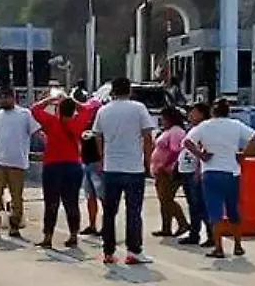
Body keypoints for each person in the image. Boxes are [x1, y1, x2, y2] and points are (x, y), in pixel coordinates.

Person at [183, 98, 255, 259]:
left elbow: (187, 142)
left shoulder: (205, 126)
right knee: (233, 211)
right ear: (228, 111)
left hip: (211, 172)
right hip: (231, 172)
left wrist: (201, 155)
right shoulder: (235, 125)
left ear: (212, 111)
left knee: (214, 212)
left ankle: (219, 248)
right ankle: (238, 246)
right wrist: (244, 154)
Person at [92, 77, 156, 265]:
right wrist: (147, 161)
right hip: (133, 167)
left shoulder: (103, 111)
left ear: (112, 91)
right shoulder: (138, 108)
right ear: (129, 90)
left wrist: (102, 158)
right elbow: (147, 136)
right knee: (133, 211)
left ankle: (108, 252)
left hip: (111, 167)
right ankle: (134, 251)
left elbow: (97, 137)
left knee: (109, 211)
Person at [30, 92, 95, 248]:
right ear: (73, 111)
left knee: (51, 202)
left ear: (58, 110)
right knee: (71, 201)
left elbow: (34, 109)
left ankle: (48, 237)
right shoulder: (78, 122)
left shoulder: (51, 122)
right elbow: (87, 109)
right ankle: (73, 235)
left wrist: (51, 99)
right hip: (73, 165)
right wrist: (72, 100)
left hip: (52, 165)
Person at [0, 86, 40, 240]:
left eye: (6, 97)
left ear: (13, 98)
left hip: (17, 162)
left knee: (16, 198)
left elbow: (36, 132)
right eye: (1, 97)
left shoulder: (24, 114)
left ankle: (14, 226)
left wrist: (49, 144)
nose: (3, 100)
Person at [178, 102, 215, 247]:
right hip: (186, 171)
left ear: (201, 114)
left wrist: (198, 171)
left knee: (201, 205)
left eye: (193, 112)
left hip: (195, 172)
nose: (190, 115)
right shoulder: (193, 129)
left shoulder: (204, 129)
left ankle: (211, 234)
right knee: (193, 205)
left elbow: (205, 150)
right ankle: (194, 233)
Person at [151, 106, 190, 238]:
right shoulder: (167, 131)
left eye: (164, 117)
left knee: (167, 199)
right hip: (160, 170)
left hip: (169, 171)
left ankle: (183, 223)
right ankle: (166, 227)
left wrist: (165, 164)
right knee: (163, 199)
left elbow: (175, 150)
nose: (162, 120)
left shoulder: (176, 132)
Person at [80, 128, 103, 236]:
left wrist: (102, 161)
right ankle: (92, 225)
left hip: (97, 164)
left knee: (103, 197)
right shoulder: (83, 126)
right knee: (90, 197)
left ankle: (106, 225)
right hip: (86, 164)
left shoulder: (100, 128)